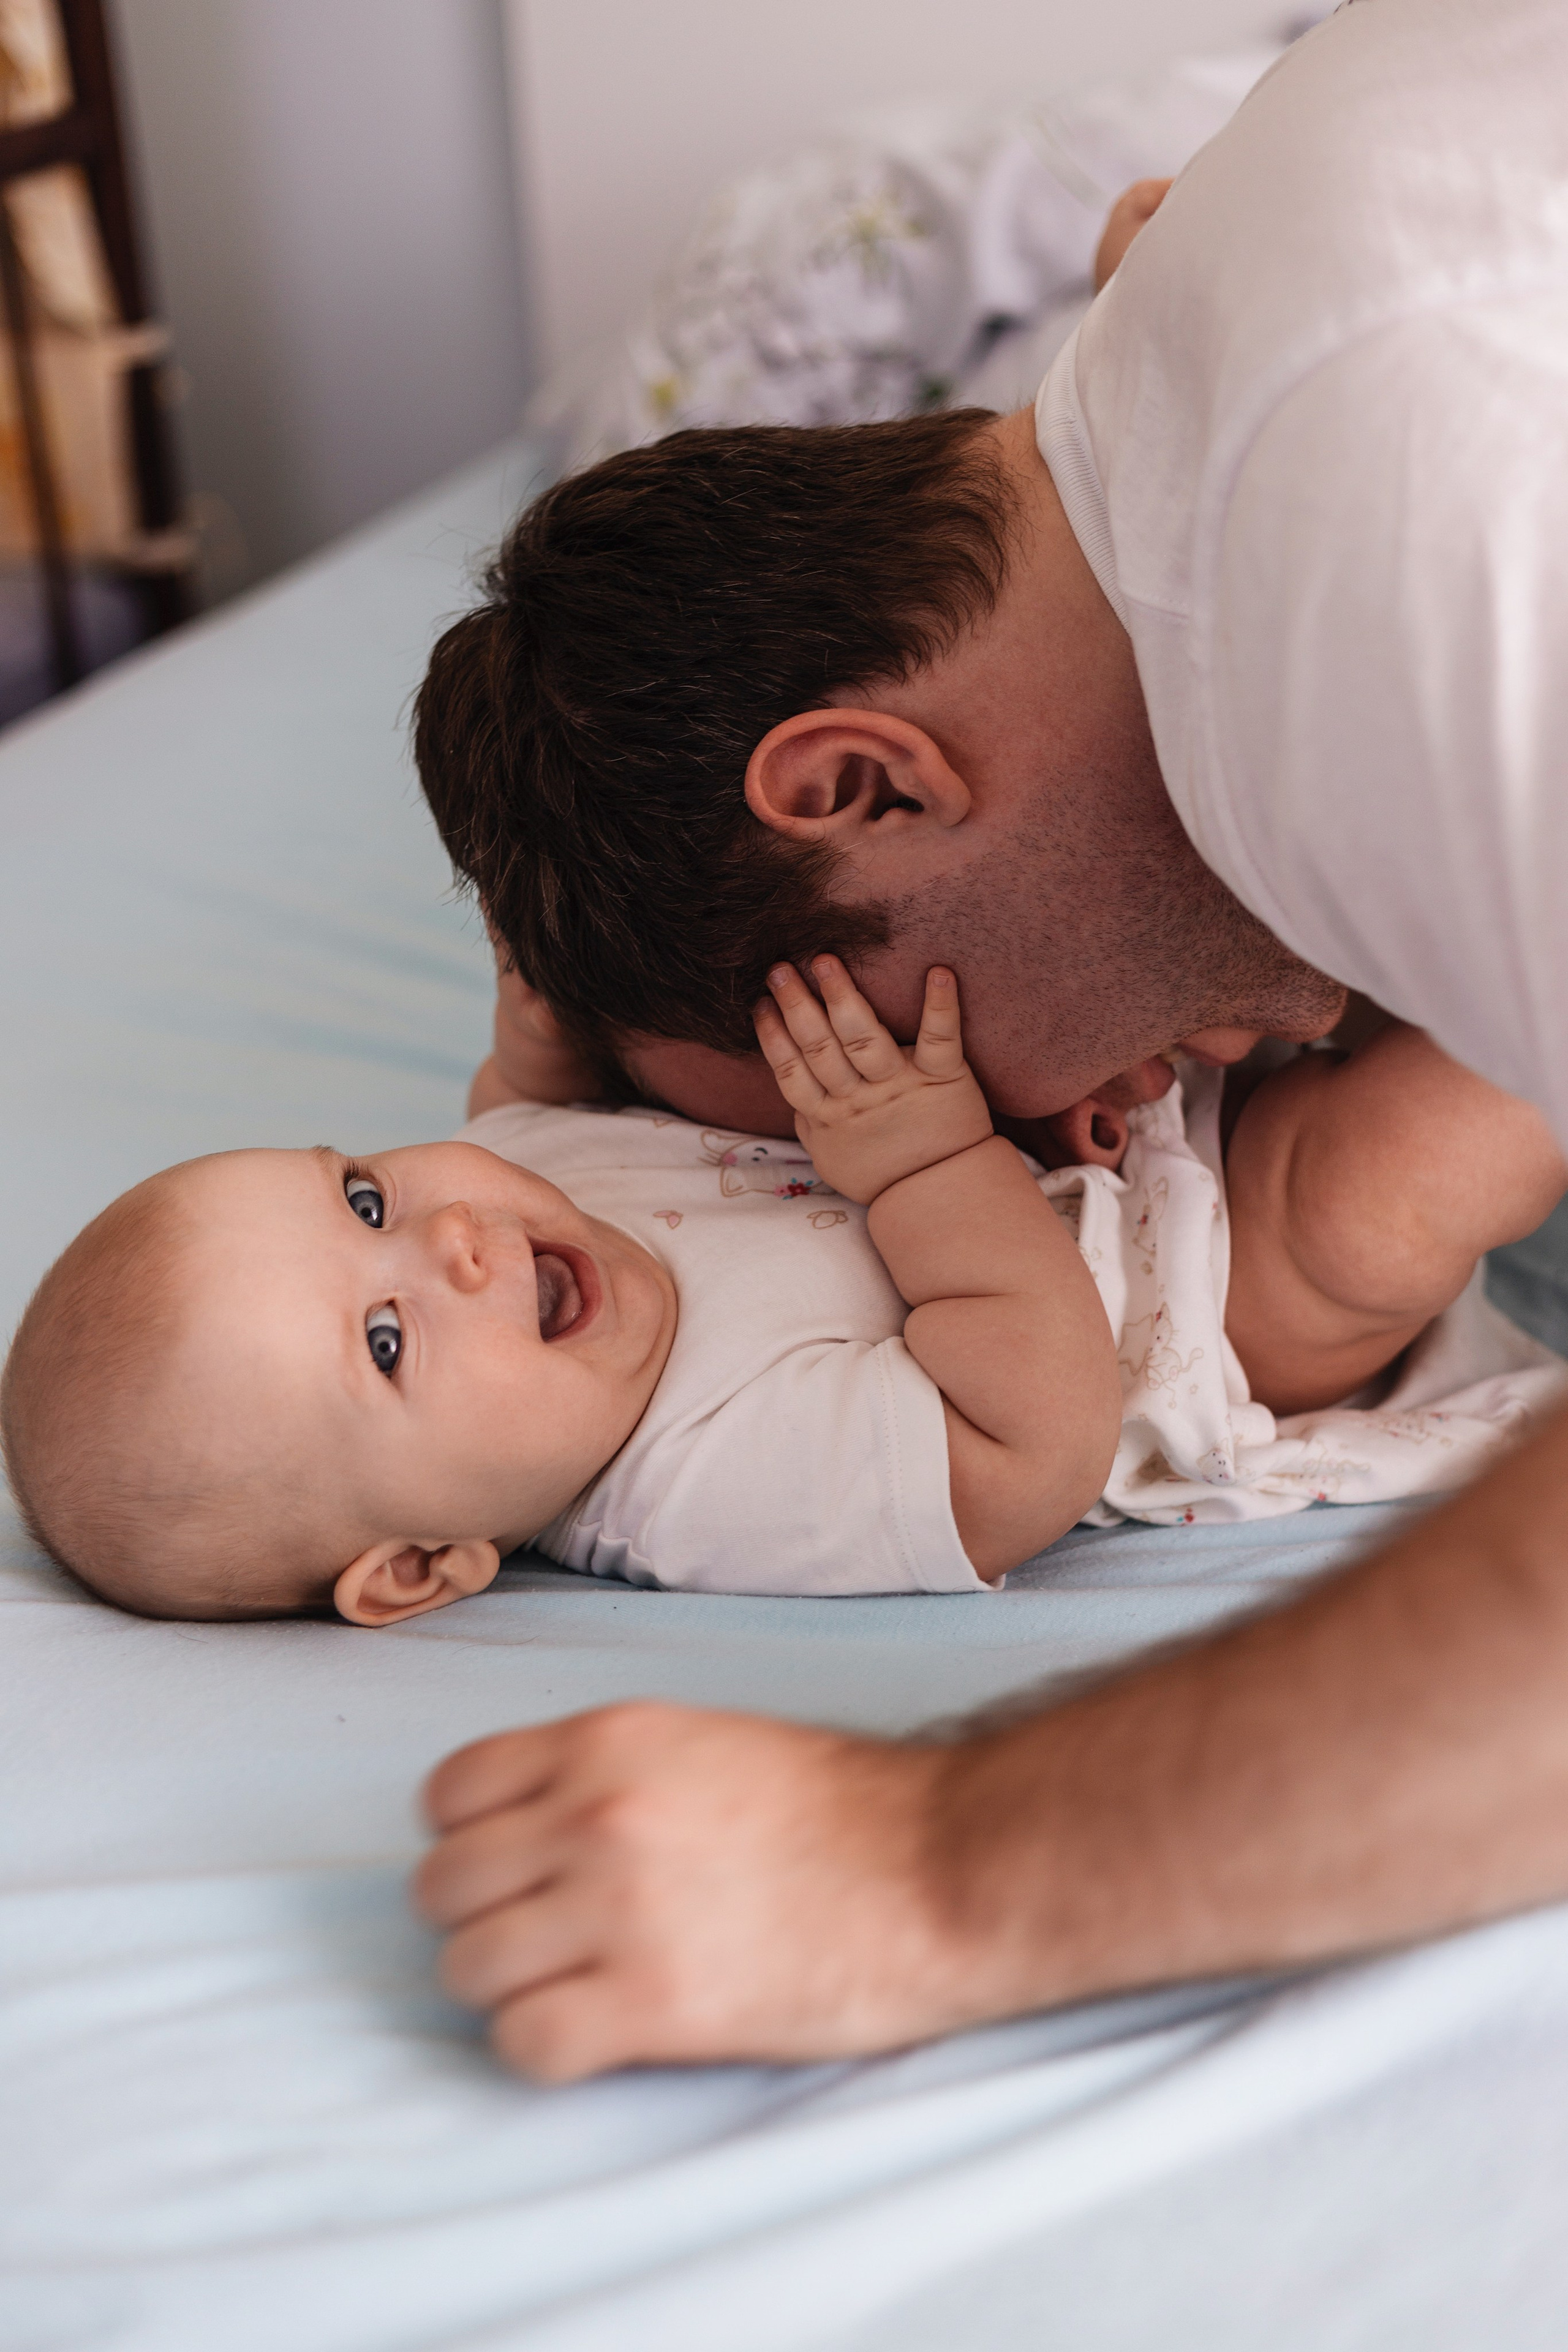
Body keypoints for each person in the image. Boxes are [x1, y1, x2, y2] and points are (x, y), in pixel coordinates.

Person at [407, 0, 1568, 2082]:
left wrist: (925, 1868)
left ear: (857, 786)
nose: (1061, 1129)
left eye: (845, 1045)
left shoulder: (1410, 586)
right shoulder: (1268, 235)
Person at [8, 948, 1556, 1623]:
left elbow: (513, 1117)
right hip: (1206, 1308)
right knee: (1389, 1180)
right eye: (390, 1336)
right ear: (419, 1564)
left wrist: (541, 1033)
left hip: (1114, 1099)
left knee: (1372, 932)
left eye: (361, 1196)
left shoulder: (520, 1197)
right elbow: (1037, 1445)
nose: (449, 1242)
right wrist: (928, 1171)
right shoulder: (697, 1487)